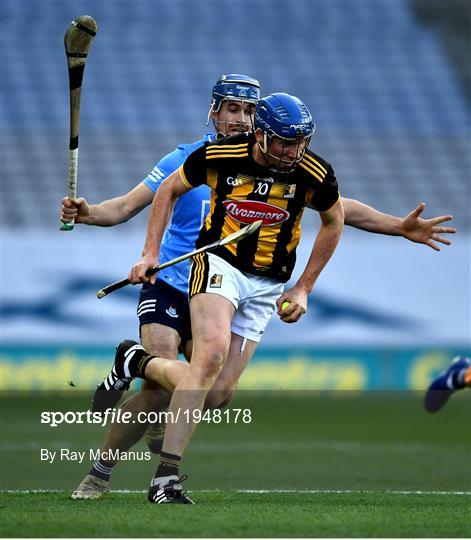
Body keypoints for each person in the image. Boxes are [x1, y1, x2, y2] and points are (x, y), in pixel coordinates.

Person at [63, 76, 456, 501]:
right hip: (173, 280)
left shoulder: (288, 162)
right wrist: (91, 214)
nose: (240, 119)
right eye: (233, 109)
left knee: (209, 394)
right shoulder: (195, 157)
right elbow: (124, 206)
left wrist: (398, 226)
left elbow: (337, 208)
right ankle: (103, 473)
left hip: (244, 287)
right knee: (169, 384)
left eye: (249, 111)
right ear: (214, 111)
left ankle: (131, 364)